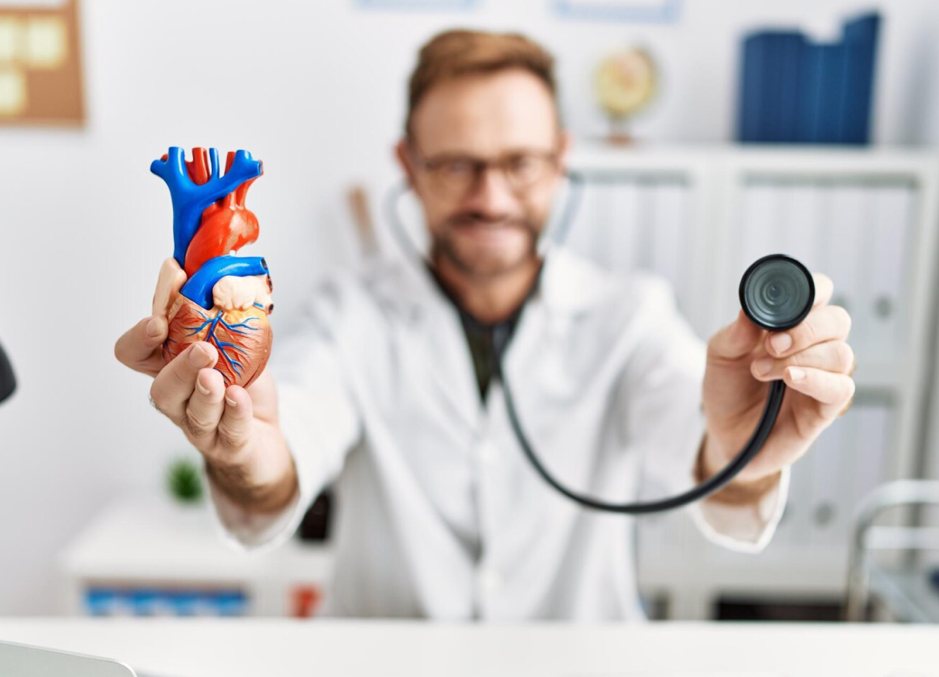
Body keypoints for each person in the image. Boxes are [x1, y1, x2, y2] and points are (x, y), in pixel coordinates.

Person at [115, 29, 856, 620]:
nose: (491, 196)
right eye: (456, 166)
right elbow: (277, 467)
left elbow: (708, 475)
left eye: (520, 163)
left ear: (562, 159)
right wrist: (240, 447)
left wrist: (744, 450)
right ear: (407, 164)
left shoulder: (629, 314)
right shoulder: (352, 313)